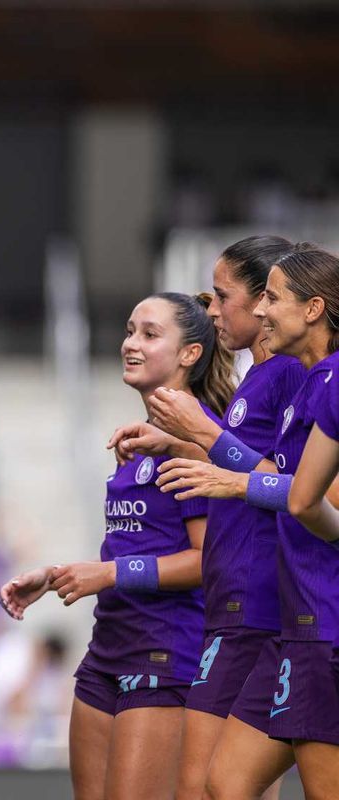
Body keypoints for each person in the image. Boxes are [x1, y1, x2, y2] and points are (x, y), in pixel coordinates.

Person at [0, 292, 232, 800]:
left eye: (150, 334)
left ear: (190, 354)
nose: (131, 343)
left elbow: (207, 560)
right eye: (130, 330)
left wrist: (107, 574)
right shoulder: (136, 442)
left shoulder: (194, 442)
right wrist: (59, 573)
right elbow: (136, 543)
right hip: (107, 649)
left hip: (166, 652)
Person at [107, 236, 300, 799]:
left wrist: (201, 434)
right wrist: (180, 444)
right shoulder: (260, 378)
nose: (212, 310)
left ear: (267, 300)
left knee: (210, 787)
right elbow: (251, 474)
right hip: (231, 608)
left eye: (222, 296)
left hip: (255, 608)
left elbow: (295, 489)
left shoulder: (291, 375)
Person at [153, 244, 339, 798]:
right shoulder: (309, 380)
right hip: (294, 618)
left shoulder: (320, 379)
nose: (260, 312)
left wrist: (231, 471)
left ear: (313, 309)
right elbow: (290, 483)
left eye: (271, 299)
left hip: (316, 618)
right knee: (224, 784)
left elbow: (316, 497)